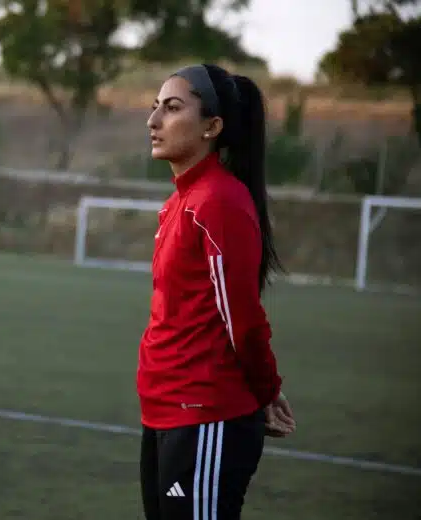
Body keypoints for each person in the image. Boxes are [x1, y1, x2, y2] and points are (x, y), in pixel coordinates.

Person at [137, 63, 296, 520]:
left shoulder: (219, 201)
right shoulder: (179, 202)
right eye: (154, 108)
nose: (153, 121)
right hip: (165, 411)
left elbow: (241, 319)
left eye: (171, 108)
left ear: (212, 126)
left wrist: (266, 391)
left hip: (205, 414)